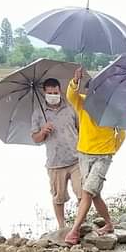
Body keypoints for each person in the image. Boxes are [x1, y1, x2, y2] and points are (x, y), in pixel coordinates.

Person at [61, 67, 126, 245]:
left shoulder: (112, 110)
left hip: (103, 156)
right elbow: (70, 96)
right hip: (84, 154)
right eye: (89, 92)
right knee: (94, 194)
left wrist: (111, 149)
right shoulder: (82, 104)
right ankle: (109, 223)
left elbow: (122, 133)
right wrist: (75, 81)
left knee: (87, 191)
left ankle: (74, 231)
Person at [30, 77, 81, 231]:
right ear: (44, 93)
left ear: (60, 91)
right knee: (59, 197)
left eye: (56, 92)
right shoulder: (39, 113)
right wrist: (43, 131)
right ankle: (62, 226)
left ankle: (78, 224)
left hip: (75, 159)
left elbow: (80, 129)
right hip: (55, 162)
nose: (53, 95)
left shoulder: (70, 107)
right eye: (50, 93)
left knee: (82, 193)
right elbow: (35, 139)